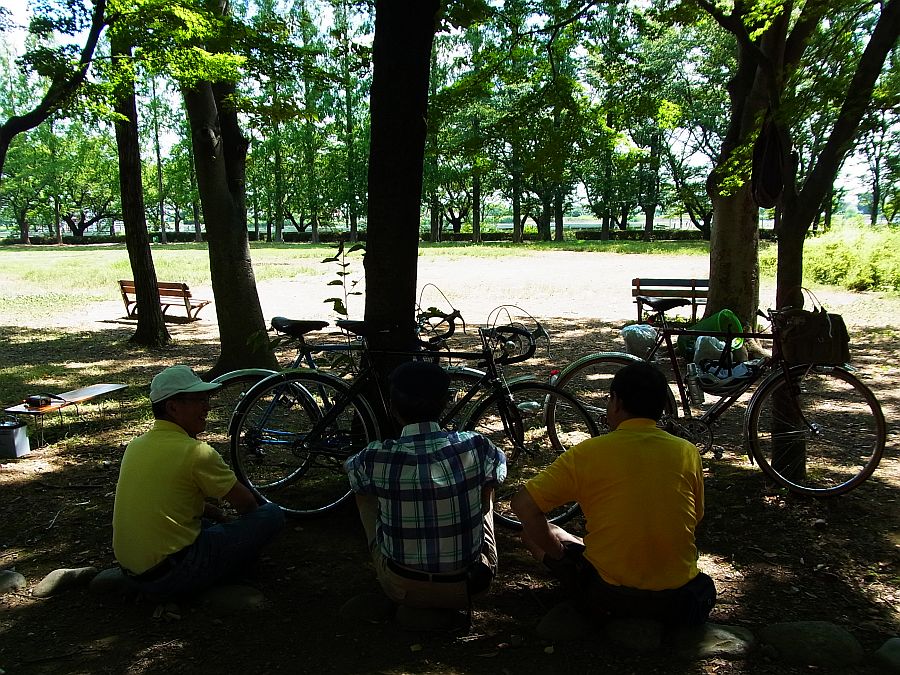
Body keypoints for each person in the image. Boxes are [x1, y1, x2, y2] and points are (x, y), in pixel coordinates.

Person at [510, 362, 716, 625]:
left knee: (532, 533)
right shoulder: (687, 452)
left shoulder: (588, 453)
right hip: (679, 597)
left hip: (610, 595)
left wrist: (560, 556)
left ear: (616, 402)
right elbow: (696, 516)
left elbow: (523, 505)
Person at [344, 360, 506, 613]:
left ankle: (382, 550)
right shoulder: (476, 446)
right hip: (471, 584)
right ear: (446, 402)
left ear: (392, 407)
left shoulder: (373, 457)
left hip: (402, 586)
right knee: (487, 482)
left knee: (363, 492)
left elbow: (353, 474)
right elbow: (498, 474)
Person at [113, 365, 284, 597]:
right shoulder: (195, 453)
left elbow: (165, 502)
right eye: (199, 400)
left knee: (207, 526)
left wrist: (215, 513)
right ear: (173, 407)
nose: (207, 407)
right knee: (272, 514)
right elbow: (247, 505)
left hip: (133, 573)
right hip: (173, 574)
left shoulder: (136, 446)